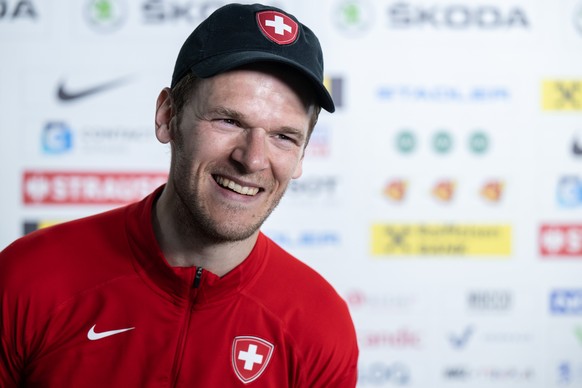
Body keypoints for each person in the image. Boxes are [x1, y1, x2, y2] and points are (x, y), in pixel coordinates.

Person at [0, 3, 358, 387]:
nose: (252, 159)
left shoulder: (318, 326)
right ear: (167, 115)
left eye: (283, 137)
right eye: (229, 120)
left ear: (302, 155)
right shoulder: (28, 278)